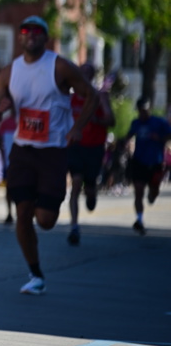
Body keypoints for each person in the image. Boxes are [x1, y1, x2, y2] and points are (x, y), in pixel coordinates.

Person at [0, 15, 97, 296]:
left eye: (37, 31)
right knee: (22, 212)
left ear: (45, 37)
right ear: (20, 37)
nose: (31, 34)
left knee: (45, 220)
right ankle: (36, 275)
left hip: (52, 152)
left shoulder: (59, 66)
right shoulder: (9, 72)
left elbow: (91, 95)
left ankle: (43, 204)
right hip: (23, 150)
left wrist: (77, 127)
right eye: (26, 30)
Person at [66, 64, 114, 245]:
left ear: (93, 76)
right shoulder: (70, 98)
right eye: (82, 72)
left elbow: (111, 121)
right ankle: (74, 226)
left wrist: (97, 118)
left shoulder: (99, 97)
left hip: (94, 148)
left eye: (88, 73)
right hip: (75, 146)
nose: (85, 76)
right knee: (76, 182)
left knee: (89, 187)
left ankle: (92, 193)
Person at [124, 97, 171, 235]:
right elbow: (129, 135)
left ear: (149, 109)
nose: (143, 113)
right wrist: (126, 142)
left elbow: (169, 135)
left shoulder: (159, 122)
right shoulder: (136, 123)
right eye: (140, 111)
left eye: (145, 110)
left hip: (156, 162)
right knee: (138, 192)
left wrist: (160, 138)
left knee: (153, 191)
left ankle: (153, 194)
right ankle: (139, 220)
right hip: (139, 161)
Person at [0, 108, 17, 224]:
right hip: (8, 162)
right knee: (9, 188)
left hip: (24, 162)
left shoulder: (23, 121)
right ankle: (9, 212)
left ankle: (21, 212)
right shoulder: (5, 123)